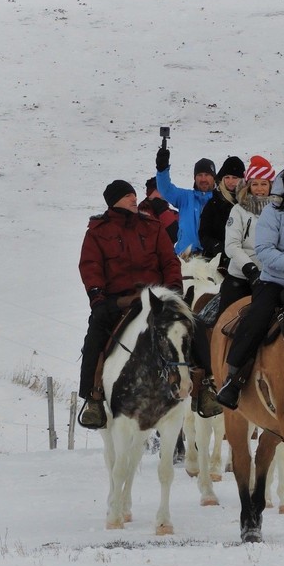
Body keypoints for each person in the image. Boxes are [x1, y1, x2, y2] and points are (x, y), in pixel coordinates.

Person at [77, 180, 218, 428]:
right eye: (127, 195)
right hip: (117, 300)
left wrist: (173, 291)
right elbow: (90, 268)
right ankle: (94, 397)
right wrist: (97, 298)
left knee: (192, 326)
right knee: (94, 339)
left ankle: (206, 386)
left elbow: (169, 262)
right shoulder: (97, 232)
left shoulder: (152, 227)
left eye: (134, 194)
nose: (134, 198)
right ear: (114, 201)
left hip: (156, 298)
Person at [215, 149, 284, 410]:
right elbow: (265, 251)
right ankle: (234, 379)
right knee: (257, 318)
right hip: (277, 281)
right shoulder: (273, 213)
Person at [215, 155, 276, 318]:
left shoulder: (279, 211)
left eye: (264, 184)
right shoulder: (238, 210)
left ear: (271, 185)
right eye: (254, 184)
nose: (259, 189)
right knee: (224, 322)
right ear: (248, 186)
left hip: (269, 277)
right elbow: (232, 245)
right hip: (241, 276)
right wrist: (250, 269)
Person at [153, 141, 216, 255]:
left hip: (211, 257)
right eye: (199, 175)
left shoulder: (219, 200)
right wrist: (162, 170)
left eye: (207, 175)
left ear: (214, 178)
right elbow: (165, 189)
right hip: (184, 256)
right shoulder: (185, 197)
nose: (203, 179)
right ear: (194, 178)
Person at [198, 155, 245, 270]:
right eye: (227, 177)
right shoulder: (214, 203)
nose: (230, 181)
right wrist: (217, 246)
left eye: (234, 177)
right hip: (216, 260)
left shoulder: (248, 202)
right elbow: (203, 234)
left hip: (244, 257)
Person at [139, 177, 179, 244]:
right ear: (149, 194)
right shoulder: (138, 213)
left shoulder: (174, 214)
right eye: (159, 190)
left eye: (165, 190)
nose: (163, 193)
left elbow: (174, 235)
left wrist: (163, 211)